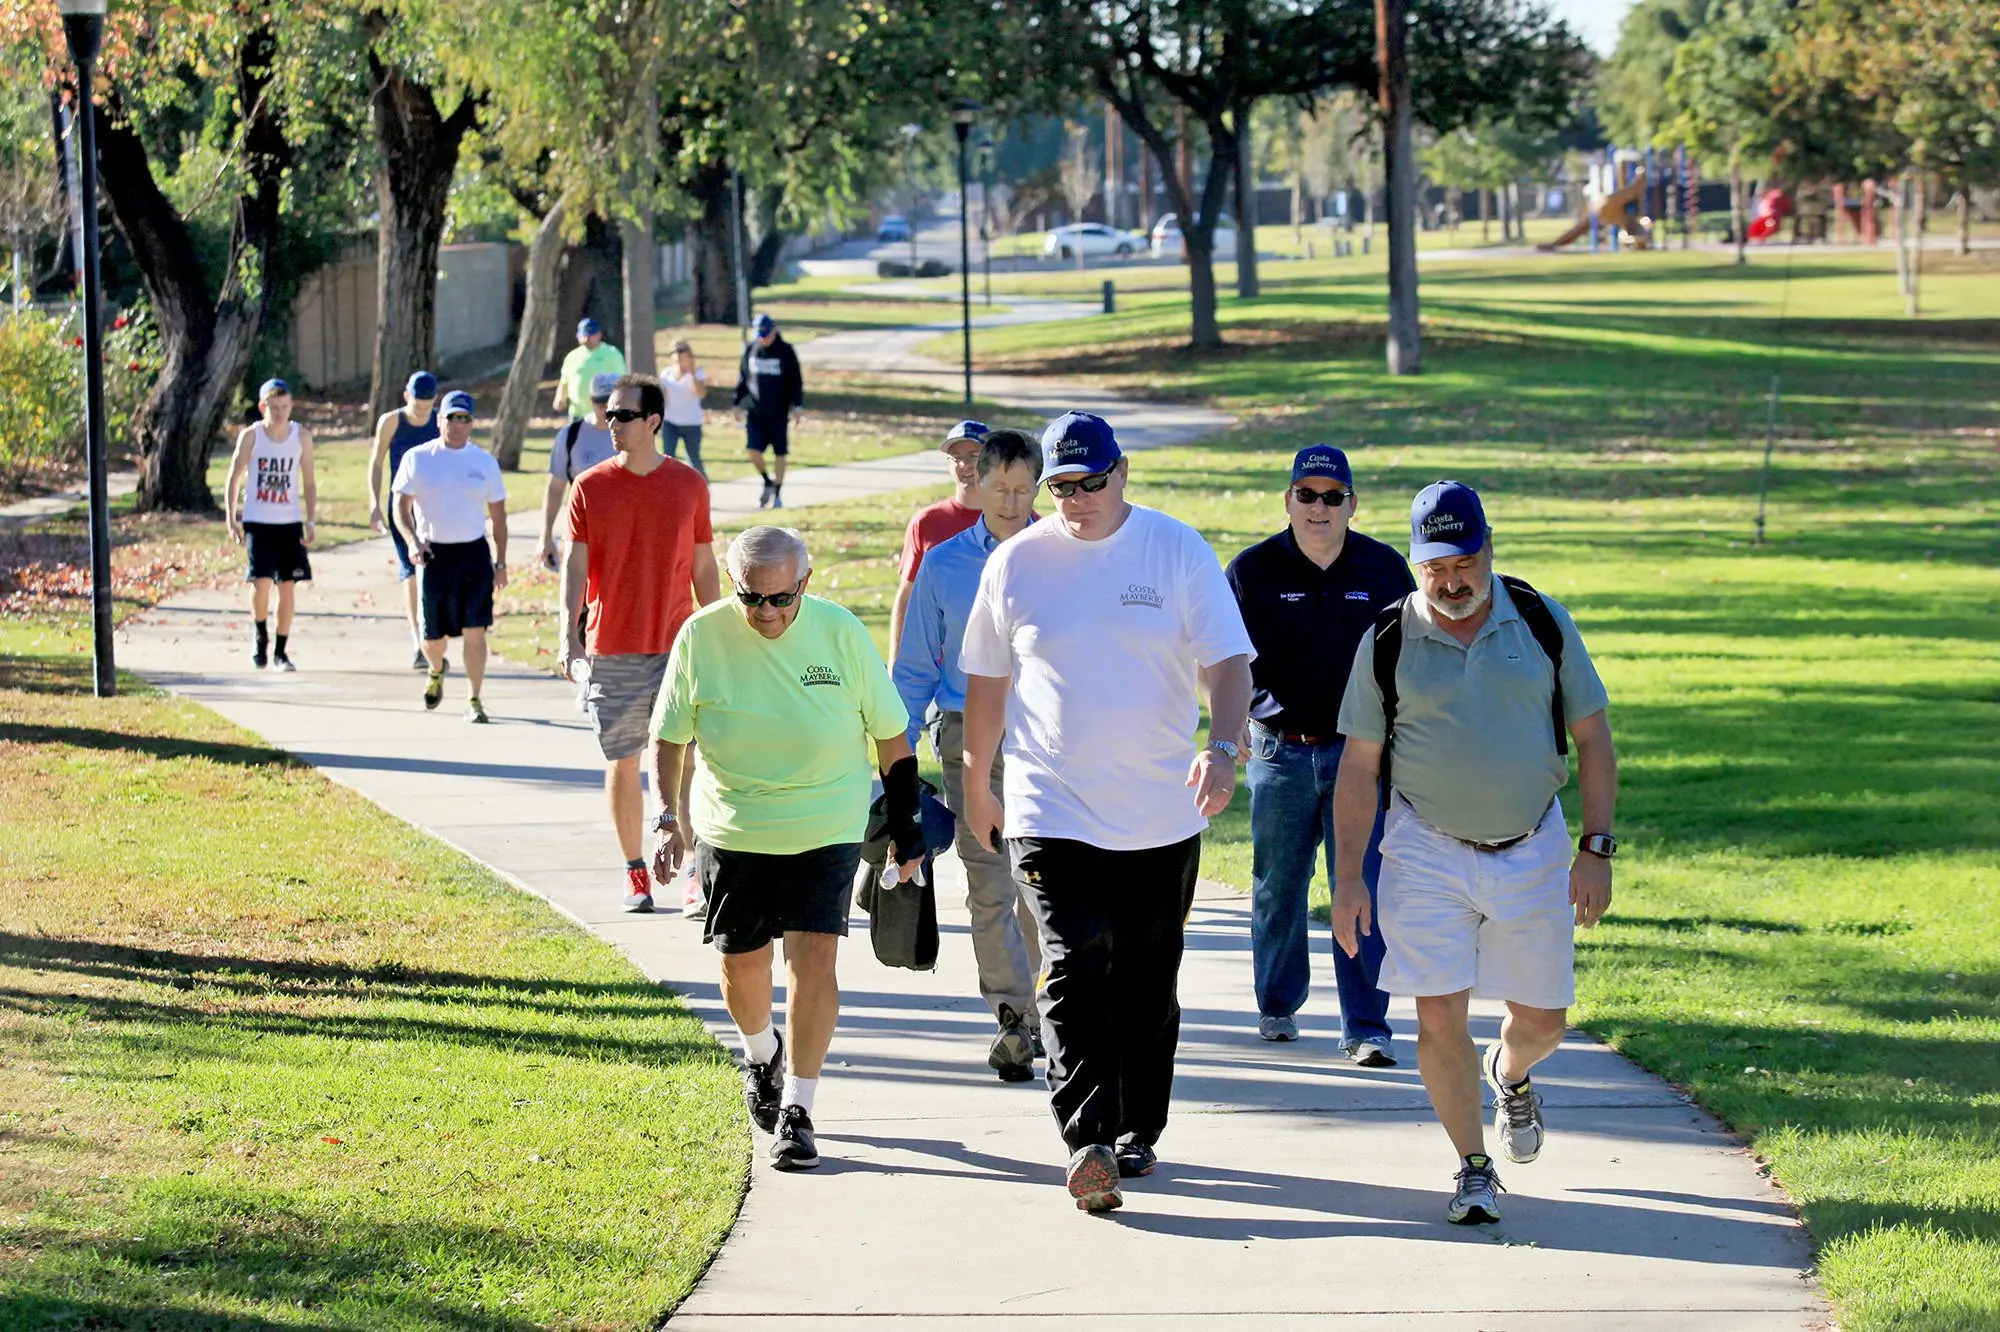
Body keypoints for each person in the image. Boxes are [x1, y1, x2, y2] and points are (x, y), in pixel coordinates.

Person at [960, 411, 1254, 1213]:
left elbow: (1229, 664)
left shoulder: (1175, 549)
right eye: (1062, 486)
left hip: (1161, 808)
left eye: (1092, 481)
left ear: (1122, 472)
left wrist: (1223, 750)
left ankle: (1135, 1127)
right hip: (1049, 802)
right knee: (1076, 959)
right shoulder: (1016, 565)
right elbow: (986, 684)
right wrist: (976, 780)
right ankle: (1085, 1138)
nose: (1078, 498)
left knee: (1148, 975)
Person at [1331, 480, 1618, 1226]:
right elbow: (1359, 768)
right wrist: (1348, 881)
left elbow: (1593, 739)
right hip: (1425, 847)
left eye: (1464, 562)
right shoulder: (1388, 641)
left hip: (1532, 846)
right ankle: (1473, 1167)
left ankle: (1511, 1071)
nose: (1452, 581)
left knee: (1546, 1019)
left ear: (1487, 549)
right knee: (1436, 1016)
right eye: (1435, 568)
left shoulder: (1541, 622)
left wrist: (1595, 848)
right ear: (1415, 563)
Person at [650, 526, 922, 1172]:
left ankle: (798, 1109)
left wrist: (906, 828)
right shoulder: (702, 637)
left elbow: (891, 737)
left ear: (805, 582)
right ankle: (759, 1052)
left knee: (814, 959)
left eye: (780, 599)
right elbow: (669, 739)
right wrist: (668, 816)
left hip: (826, 823)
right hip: (734, 827)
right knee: (741, 966)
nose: (766, 613)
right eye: (752, 599)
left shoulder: (842, 634)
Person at [1225, 445, 1414, 1060]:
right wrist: (1250, 721)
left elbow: (1412, 659)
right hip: (1280, 754)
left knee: (1359, 882)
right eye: (1307, 494)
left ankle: (1365, 1026)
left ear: (1352, 505)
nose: (1319, 507)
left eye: (1333, 496)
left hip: (1360, 756)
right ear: (1288, 501)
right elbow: (1222, 660)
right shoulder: (1252, 572)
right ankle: (1277, 1004)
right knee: (1279, 884)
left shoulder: (1384, 571)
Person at [890, 427, 1043, 1082]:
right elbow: (914, 666)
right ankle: (1015, 1016)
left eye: (1021, 488)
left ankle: (1045, 1007)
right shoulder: (946, 562)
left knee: (1041, 883)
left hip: (1050, 739)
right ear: (976, 484)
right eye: (998, 487)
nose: (1010, 501)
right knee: (988, 886)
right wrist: (892, 760)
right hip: (965, 737)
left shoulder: (1064, 556)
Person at [558, 374, 718, 914]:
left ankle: (694, 866)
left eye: (623, 415)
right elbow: (576, 567)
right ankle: (635, 873)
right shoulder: (590, 486)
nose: (612, 423)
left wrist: (721, 630)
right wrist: (569, 634)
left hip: (679, 646)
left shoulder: (689, 485)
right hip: (612, 647)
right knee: (624, 759)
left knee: (686, 757)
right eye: (607, 414)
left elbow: (702, 563)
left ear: (653, 421)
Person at [392, 390, 510, 723]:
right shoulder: (419, 458)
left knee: (476, 632)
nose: (458, 425)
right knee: (433, 639)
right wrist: (413, 541)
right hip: (433, 554)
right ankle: (436, 668)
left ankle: (474, 699)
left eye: (465, 419)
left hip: (473, 554)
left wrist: (500, 562)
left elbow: (499, 518)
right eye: (452, 418)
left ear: (472, 423)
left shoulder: (484, 462)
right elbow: (400, 507)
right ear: (439, 419)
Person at [222, 378, 317, 671]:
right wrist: (231, 517)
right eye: (274, 408)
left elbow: (309, 481)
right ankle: (260, 634)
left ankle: (281, 651)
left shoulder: (301, 436)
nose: (280, 413)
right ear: (263, 406)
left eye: (285, 407)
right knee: (261, 582)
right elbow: (234, 477)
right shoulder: (251, 437)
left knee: (286, 586)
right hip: (258, 519)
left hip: (289, 521)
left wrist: (311, 519)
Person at [887, 419, 987, 657]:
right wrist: (896, 661)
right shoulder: (926, 522)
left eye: (974, 456)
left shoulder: (1018, 519)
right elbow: (907, 596)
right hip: (939, 670)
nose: (964, 465)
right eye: (956, 457)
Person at [366, 370, 439, 668]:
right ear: (406, 396)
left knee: (433, 575)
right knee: (411, 572)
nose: (421, 409)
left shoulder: (440, 421)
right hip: (402, 507)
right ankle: (417, 641)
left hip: (433, 507)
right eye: (417, 402)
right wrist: (374, 505)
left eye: (427, 403)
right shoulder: (391, 421)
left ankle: (432, 633)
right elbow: (377, 462)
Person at [535, 372, 619, 571]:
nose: (607, 410)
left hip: (624, 534)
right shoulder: (571, 436)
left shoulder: (633, 435)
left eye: (613, 404)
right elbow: (555, 488)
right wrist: (546, 534)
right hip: (582, 533)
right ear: (591, 401)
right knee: (577, 598)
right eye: (602, 404)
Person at [733, 313, 804, 509]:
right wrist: (736, 402)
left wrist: (797, 406)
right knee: (753, 452)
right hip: (755, 412)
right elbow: (743, 378)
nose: (763, 338)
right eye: (760, 335)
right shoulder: (751, 350)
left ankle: (778, 493)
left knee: (780, 454)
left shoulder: (786, 352)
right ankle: (767, 481)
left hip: (779, 413)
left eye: (766, 334)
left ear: (775, 330)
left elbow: (796, 381)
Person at [554, 318, 626, 421]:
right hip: (577, 414)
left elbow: (621, 382)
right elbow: (564, 381)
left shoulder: (612, 354)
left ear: (599, 334)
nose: (587, 338)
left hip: (604, 414)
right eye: (584, 335)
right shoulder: (572, 356)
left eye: (590, 334)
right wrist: (560, 398)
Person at [662, 338, 709, 477]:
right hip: (670, 422)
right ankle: (668, 488)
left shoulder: (698, 373)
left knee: (694, 459)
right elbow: (664, 399)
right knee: (668, 457)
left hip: (691, 423)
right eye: (675, 351)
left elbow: (701, 393)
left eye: (682, 351)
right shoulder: (666, 373)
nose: (679, 355)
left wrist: (692, 372)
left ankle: (703, 486)